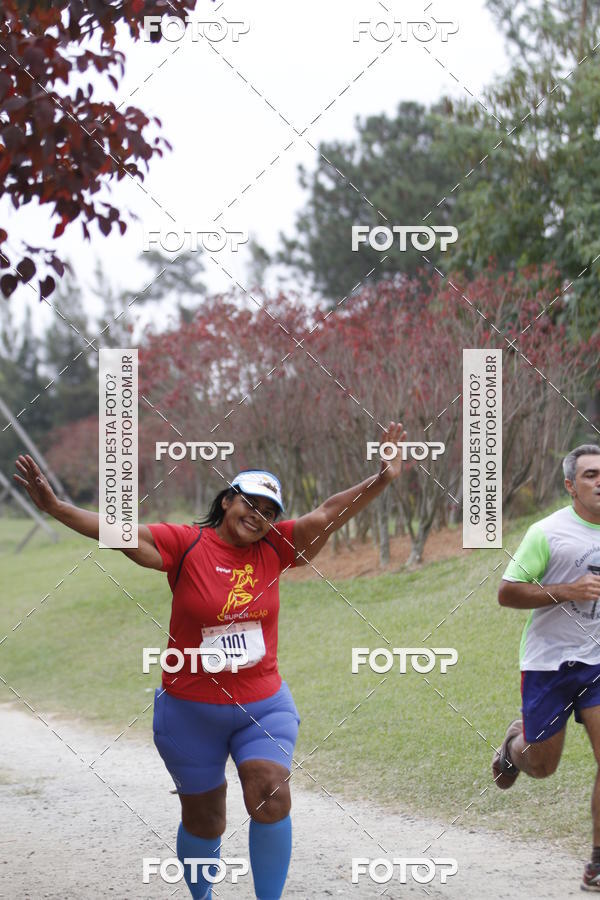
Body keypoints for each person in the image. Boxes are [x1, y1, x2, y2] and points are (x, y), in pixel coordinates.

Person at [14, 421, 406, 900]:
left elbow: (327, 512)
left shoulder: (277, 549)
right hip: (189, 709)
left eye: (268, 511)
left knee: (270, 793)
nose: (258, 516)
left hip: (263, 704)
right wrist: (55, 508)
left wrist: (381, 479)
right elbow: (121, 532)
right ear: (228, 500)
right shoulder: (185, 545)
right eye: (250, 503)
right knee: (206, 818)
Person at [493, 443, 600, 892]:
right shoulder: (547, 533)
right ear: (570, 486)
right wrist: (568, 589)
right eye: (591, 475)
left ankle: (597, 860)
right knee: (541, 766)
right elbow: (507, 592)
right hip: (548, 666)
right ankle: (514, 746)